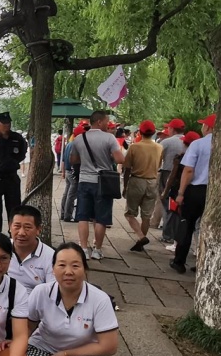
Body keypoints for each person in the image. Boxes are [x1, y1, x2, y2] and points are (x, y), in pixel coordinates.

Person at [26, 242, 118, 356]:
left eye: (75, 265)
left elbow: (109, 346)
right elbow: (28, 326)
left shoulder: (99, 299)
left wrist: (67, 354)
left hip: (82, 350)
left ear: (85, 269)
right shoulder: (41, 292)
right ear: (53, 269)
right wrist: (14, 349)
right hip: (44, 346)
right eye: (61, 265)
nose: (68, 272)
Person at [70, 111, 125, 260]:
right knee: (101, 218)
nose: (108, 124)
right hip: (103, 183)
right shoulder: (109, 138)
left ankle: (83, 249)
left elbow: (73, 160)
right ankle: (97, 250)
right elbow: (120, 159)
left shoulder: (79, 138)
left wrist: (86, 160)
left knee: (82, 216)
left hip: (84, 181)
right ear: (99, 121)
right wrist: (108, 158)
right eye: (107, 121)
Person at [170, 114, 215, 273]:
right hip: (215, 192)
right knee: (209, 228)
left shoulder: (198, 144)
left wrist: (181, 192)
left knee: (187, 225)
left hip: (196, 190)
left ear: (207, 127)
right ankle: (205, 263)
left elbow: (188, 170)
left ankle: (179, 261)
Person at [122, 120, 163, 252]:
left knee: (130, 213)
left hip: (137, 180)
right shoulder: (159, 147)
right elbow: (159, 165)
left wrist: (125, 186)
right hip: (152, 181)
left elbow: (127, 168)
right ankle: (141, 242)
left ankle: (141, 237)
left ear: (140, 132)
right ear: (153, 132)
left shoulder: (134, 147)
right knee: (146, 216)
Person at [0, 112, 29, 233]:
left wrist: (12, 163)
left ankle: (13, 233)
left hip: (11, 176)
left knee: (14, 208)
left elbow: (22, 154)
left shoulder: (17, 138)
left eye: (8, 123)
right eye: (4, 124)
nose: (6, 126)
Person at [7, 205, 55, 297]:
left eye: (27, 227)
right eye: (17, 226)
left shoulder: (51, 257)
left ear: (38, 229)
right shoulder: (0, 249)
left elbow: (53, 292)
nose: (21, 233)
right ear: (10, 227)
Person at [154, 118, 186, 243]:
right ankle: (176, 233)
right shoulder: (188, 142)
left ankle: (167, 234)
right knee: (177, 205)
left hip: (167, 172)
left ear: (172, 129)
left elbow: (157, 157)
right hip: (183, 175)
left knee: (166, 203)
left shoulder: (167, 142)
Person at [60, 124, 87, 222]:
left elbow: (63, 159)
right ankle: (67, 215)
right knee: (72, 195)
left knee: (67, 193)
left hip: (68, 171)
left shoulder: (69, 144)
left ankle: (63, 213)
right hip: (73, 172)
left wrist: (63, 172)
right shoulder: (77, 145)